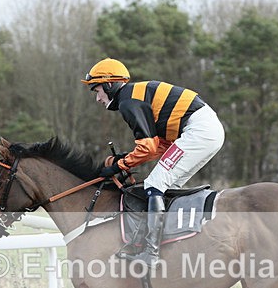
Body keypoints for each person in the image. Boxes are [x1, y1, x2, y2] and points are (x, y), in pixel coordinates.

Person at [81, 58, 225, 268]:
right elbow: (159, 147)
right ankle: (170, 243)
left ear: (109, 84)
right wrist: (127, 159)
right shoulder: (134, 96)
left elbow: (148, 148)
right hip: (205, 130)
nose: (98, 98)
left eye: (97, 90)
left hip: (199, 131)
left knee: (154, 184)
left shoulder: (128, 102)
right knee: (166, 185)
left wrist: (120, 165)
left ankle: (151, 253)